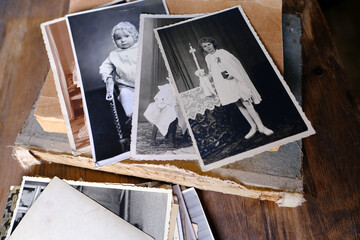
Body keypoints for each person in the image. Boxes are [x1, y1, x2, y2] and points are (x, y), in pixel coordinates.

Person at [198, 36, 273, 139]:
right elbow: (213, 73)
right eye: (205, 46)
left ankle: (262, 127)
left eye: (209, 44)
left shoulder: (223, 53)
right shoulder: (208, 58)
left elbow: (235, 66)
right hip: (225, 85)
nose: (208, 47)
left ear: (213, 44)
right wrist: (204, 77)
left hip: (235, 81)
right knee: (239, 105)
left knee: (247, 103)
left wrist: (231, 74)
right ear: (203, 49)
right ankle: (253, 127)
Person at [99, 21, 138, 131]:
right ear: (114, 41)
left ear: (134, 36)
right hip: (127, 86)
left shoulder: (140, 47)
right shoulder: (114, 55)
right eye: (118, 38)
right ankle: (132, 116)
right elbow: (104, 67)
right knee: (125, 95)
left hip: (146, 83)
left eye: (126, 36)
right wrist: (106, 76)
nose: (123, 40)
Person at [143, 83, 187, 147]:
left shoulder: (172, 89)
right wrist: (162, 102)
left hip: (169, 107)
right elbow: (160, 98)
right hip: (163, 107)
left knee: (172, 116)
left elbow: (175, 101)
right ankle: (163, 140)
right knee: (160, 118)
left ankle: (170, 139)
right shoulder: (167, 88)